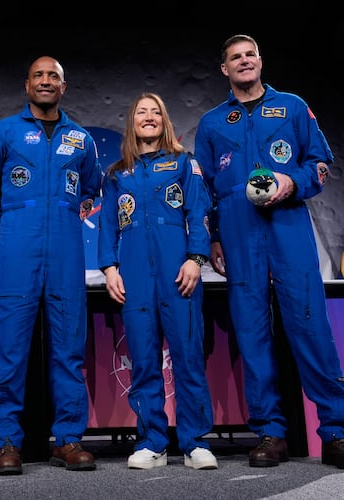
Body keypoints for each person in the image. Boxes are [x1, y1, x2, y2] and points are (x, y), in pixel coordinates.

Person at [194, 33, 344, 468]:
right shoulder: (211, 123)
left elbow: (319, 162)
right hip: (240, 241)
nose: (244, 62)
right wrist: (214, 238)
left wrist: (292, 183)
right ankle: (270, 433)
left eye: (250, 55)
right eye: (235, 58)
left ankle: (336, 429)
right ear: (224, 69)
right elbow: (204, 192)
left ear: (260, 61)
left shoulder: (293, 107)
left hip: (289, 232)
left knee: (311, 329)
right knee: (253, 336)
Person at [0, 56, 101, 475]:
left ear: (64, 87)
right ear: (27, 84)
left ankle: (68, 440)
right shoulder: (5, 132)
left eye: (54, 77)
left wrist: (62, 216)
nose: (46, 82)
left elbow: (92, 188)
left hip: (66, 251)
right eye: (39, 76)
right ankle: (8, 442)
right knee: (10, 350)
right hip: (19, 250)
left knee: (68, 349)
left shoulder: (81, 139)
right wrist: (14, 219)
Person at [97, 92, 218, 471]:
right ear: (132, 123)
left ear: (164, 121)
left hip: (177, 270)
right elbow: (106, 226)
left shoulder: (184, 163)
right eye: (141, 113)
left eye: (155, 112)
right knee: (145, 361)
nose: (148, 118)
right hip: (134, 273)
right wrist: (110, 269)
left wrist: (196, 259)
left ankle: (195, 442)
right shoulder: (117, 174)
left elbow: (198, 212)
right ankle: (152, 442)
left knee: (187, 356)